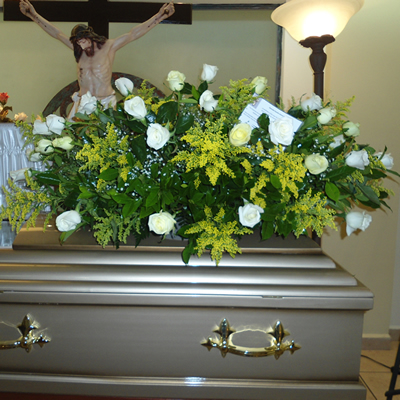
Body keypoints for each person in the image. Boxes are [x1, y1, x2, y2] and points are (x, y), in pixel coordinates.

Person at [19, 0, 175, 119]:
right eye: (78, 42)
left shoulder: (109, 46)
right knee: (72, 141)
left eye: (83, 40)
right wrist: (33, 15)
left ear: (90, 36)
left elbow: (133, 34)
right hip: (82, 103)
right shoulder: (78, 50)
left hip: (105, 102)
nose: (81, 44)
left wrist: (160, 16)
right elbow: (57, 34)